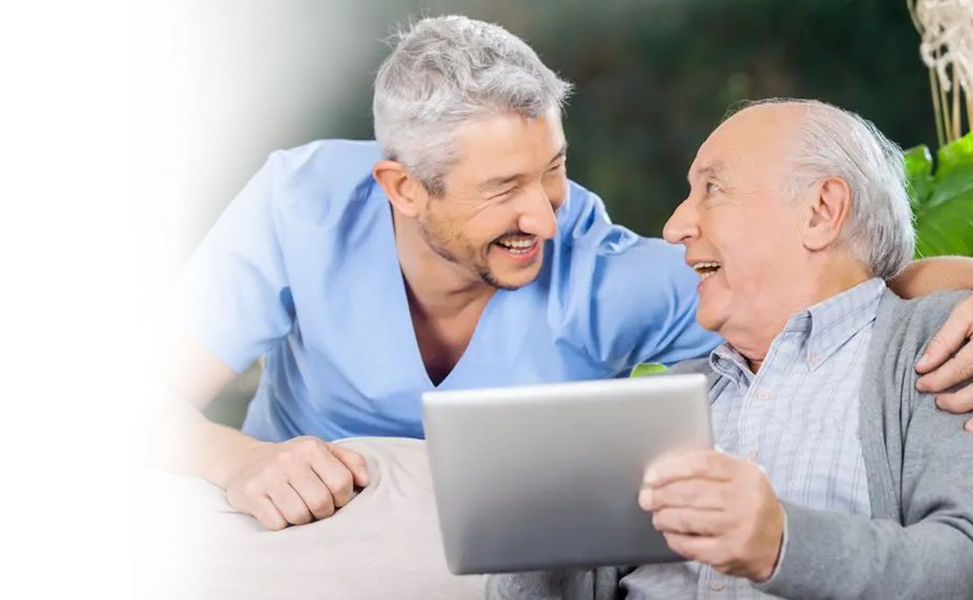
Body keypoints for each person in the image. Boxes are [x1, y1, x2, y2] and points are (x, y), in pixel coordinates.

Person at [149, 16, 973, 532]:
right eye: (503, 189)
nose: (546, 218)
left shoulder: (602, 277)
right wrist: (241, 464)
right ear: (403, 189)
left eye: (554, 171)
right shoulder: (301, 207)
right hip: (294, 531)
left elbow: (853, 284)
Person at [487, 99, 973, 600]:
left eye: (712, 190)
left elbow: (962, 562)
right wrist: (531, 536)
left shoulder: (945, 344)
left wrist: (782, 544)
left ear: (821, 212)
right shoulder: (671, 396)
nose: (674, 227)